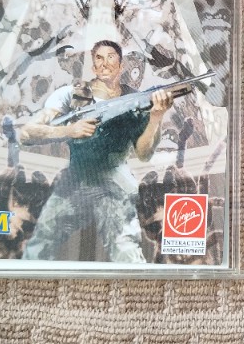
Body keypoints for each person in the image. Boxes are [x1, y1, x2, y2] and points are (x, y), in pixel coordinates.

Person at [20, 39, 173, 261]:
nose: (104, 63)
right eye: (99, 58)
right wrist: (68, 130)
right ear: (93, 67)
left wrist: (156, 116)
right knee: (39, 244)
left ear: (121, 66)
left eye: (111, 57)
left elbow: (144, 154)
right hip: (75, 180)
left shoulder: (135, 101)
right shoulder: (71, 95)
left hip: (116, 184)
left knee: (127, 253)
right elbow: (27, 133)